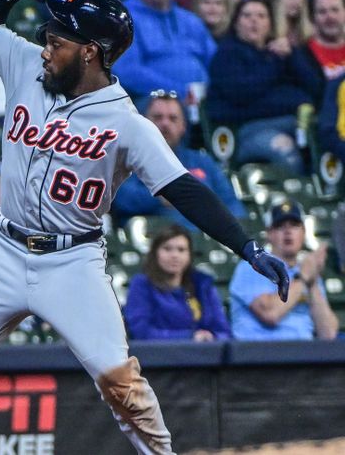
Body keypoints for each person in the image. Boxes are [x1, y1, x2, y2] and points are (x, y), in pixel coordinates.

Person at [0, 0, 290, 455]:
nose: (47, 47)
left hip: (70, 263)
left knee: (121, 386)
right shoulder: (27, 66)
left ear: (91, 52)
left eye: (59, 42)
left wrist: (247, 247)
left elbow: (183, 189)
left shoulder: (127, 123)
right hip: (0, 251)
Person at [205, 0, 322, 173]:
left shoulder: (280, 53)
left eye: (261, 16)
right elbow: (244, 93)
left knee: (328, 140)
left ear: (270, 24)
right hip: (244, 132)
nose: (254, 20)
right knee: (283, 149)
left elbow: (316, 88)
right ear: (236, 23)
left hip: (296, 124)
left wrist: (293, 55)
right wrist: (275, 64)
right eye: (247, 15)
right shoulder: (227, 54)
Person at [113, 90, 245, 229]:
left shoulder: (202, 161)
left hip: (207, 240)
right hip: (154, 239)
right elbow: (121, 199)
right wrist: (160, 199)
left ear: (183, 126)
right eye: (158, 117)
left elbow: (231, 203)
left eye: (173, 118)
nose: (165, 124)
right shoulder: (126, 161)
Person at [113, 0, 217, 110]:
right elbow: (128, 71)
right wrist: (178, 93)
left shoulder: (190, 19)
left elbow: (216, 61)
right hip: (151, 102)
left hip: (203, 100)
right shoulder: (123, 20)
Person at [229, 200, 339, 341]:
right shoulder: (251, 267)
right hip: (259, 355)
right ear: (269, 234)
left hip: (303, 355)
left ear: (304, 233)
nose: (288, 232)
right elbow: (270, 314)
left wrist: (312, 283)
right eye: (280, 226)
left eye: (294, 225)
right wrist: (303, 278)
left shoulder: (307, 271)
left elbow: (328, 334)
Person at [124, 224, 231, 341]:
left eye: (181, 250)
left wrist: (211, 337)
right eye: (167, 249)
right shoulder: (141, 285)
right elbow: (141, 333)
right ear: (155, 253)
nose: (174, 255)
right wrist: (190, 337)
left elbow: (224, 332)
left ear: (189, 255)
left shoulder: (203, 285)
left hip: (204, 356)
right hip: (158, 356)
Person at [306, 0, 345, 82]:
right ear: (312, 17)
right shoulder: (301, 57)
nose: (330, 17)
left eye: (335, 10)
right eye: (322, 12)